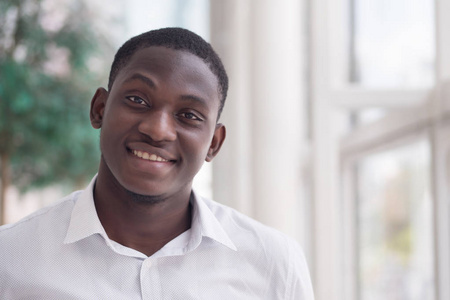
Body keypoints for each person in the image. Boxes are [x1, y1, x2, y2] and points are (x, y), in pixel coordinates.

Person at [0, 27, 314, 299]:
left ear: (214, 144)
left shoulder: (274, 263)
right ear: (99, 109)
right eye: (138, 100)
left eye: (189, 116)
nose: (157, 129)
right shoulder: (10, 259)